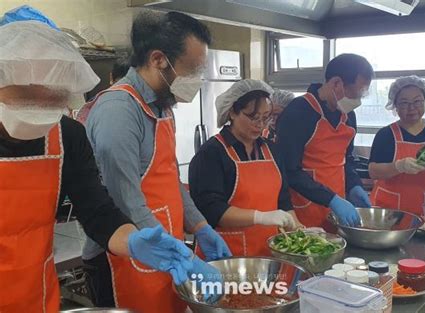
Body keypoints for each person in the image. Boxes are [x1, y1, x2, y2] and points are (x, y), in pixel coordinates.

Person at [0, 20, 207, 313]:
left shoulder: (68, 135)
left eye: (53, 99)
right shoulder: (119, 109)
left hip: (35, 296)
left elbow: (97, 211)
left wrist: (134, 240)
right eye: (26, 97)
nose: (40, 109)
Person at [85, 11, 230, 313]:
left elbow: (169, 179)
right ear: (158, 59)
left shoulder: (163, 108)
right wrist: (183, 257)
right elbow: (125, 201)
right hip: (125, 256)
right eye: (191, 71)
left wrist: (200, 226)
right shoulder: (119, 110)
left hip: (163, 249)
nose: (197, 81)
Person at [189, 79, 301, 257]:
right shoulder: (212, 153)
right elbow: (210, 209)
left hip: (268, 251)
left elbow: (283, 199)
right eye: (253, 117)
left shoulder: (271, 150)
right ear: (233, 112)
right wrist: (260, 217)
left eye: (266, 118)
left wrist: (300, 230)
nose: (260, 125)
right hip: (227, 254)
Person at [276, 54, 374, 228]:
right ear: (336, 83)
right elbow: (289, 170)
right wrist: (331, 199)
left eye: (361, 96)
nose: (357, 102)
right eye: (354, 95)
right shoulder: (298, 112)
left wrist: (354, 185)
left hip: (338, 210)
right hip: (304, 210)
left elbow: (347, 160)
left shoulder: (348, 115)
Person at [369, 76, 425, 215]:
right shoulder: (386, 134)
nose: (411, 108)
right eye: (404, 103)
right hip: (391, 213)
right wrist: (398, 166)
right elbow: (373, 171)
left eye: (417, 101)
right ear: (395, 105)